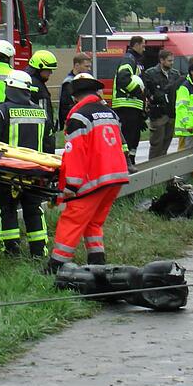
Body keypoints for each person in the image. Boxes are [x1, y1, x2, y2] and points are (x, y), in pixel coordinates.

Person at [48, 73, 130, 274]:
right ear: (95, 92)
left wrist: (70, 186)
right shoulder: (110, 113)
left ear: (75, 96)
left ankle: (56, 266)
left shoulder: (78, 118)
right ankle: (97, 261)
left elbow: (76, 154)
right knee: (94, 221)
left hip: (94, 178)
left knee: (72, 219)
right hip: (116, 177)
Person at [0, 70, 53, 259]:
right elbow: (49, 143)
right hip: (35, 172)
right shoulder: (41, 113)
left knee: (7, 210)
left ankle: (11, 252)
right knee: (34, 210)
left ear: (10, 88)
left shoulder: (2, 111)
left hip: (8, 173)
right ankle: (39, 252)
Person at [112, 36, 146, 166]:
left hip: (132, 105)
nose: (144, 48)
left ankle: (130, 162)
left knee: (134, 137)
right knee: (128, 137)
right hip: (126, 105)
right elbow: (123, 79)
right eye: (143, 45)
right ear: (136, 45)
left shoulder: (134, 60)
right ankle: (124, 164)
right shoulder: (129, 59)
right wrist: (138, 92)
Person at [144, 49, 181, 160]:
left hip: (170, 113)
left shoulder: (175, 74)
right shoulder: (150, 73)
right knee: (157, 143)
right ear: (162, 60)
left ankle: (162, 170)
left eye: (172, 60)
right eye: (169, 61)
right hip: (158, 113)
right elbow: (148, 91)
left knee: (166, 142)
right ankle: (152, 168)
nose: (172, 63)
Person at [59, 53, 92, 128]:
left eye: (90, 66)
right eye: (86, 66)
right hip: (74, 122)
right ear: (77, 65)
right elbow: (66, 107)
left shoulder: (84, 81)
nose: (89, 69)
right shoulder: (69, 83)